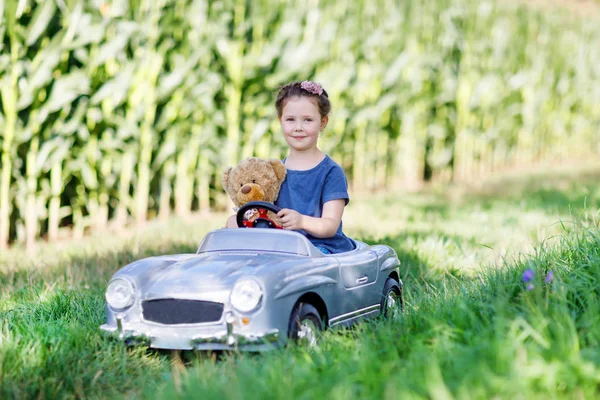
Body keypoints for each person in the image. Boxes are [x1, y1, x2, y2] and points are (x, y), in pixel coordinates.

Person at [227, 80, 355, 254]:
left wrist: (302, 221)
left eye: (308, 120)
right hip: (284, 247)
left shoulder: (331, 173)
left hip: (321, 249)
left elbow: (330, 225)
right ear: (281, 121)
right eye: (290, 120)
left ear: (323, 122)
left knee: (298, 263)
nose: (298, 128)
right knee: (232, 226)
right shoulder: (275, 172)